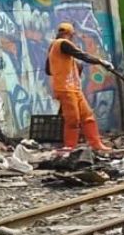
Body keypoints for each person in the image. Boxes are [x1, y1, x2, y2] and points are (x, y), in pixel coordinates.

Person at [47, 21, 111, 153]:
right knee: (73, 119)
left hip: (73, 88)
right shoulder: (63, 43)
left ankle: (96, 144)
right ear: (70, 34)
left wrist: (70, 66)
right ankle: (69, 147)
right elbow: (82, 55)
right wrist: (101, 61)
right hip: (66, 88)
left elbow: (48, 69)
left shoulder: (54, 47)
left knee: (87, 116)